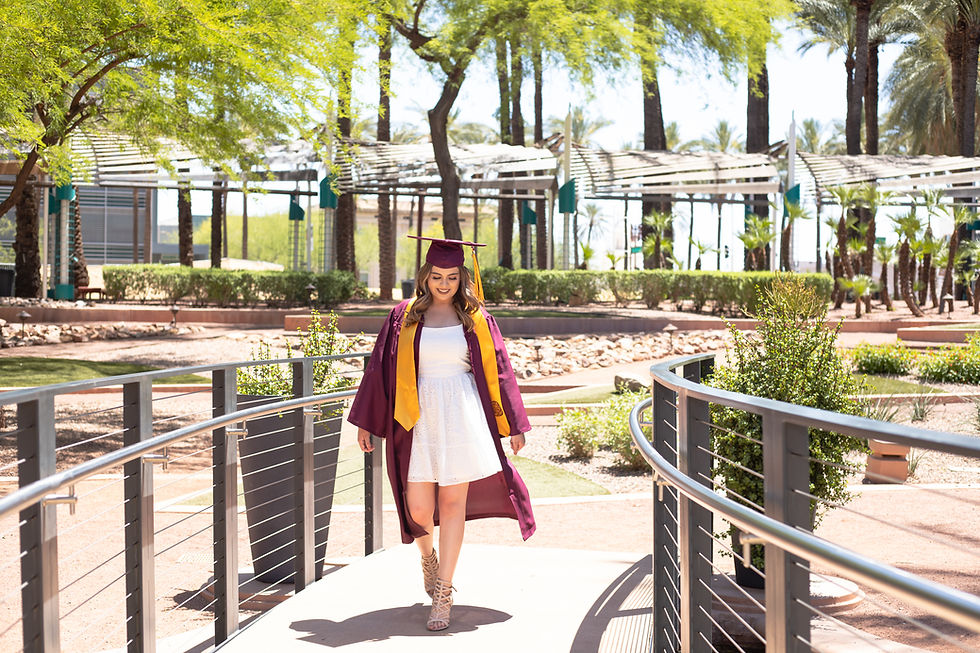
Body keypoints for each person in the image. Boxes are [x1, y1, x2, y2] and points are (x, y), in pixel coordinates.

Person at [347, 236, 535, 631]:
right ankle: (427, 558)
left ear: (461, 278)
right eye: (437, 276)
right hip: (417, 417)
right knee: (418, 508)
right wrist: (366, 421)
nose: (444, 284)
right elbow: (379, 368)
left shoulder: (477, 318)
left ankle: (444, 591)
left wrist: (515, 424)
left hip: (461, 413)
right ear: (425, 277)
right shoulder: (403, 316)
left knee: (452, 506)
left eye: (451, 277)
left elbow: (500, 369)